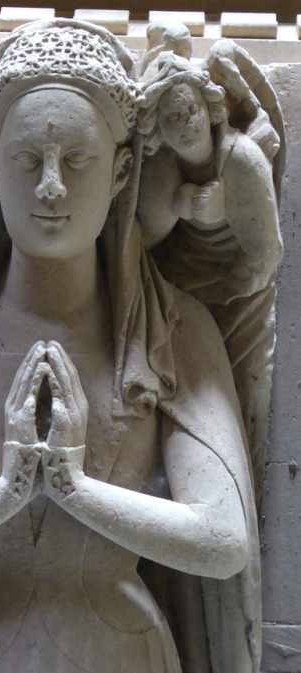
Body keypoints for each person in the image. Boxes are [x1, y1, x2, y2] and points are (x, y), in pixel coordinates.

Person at [0, 20, 260, 673]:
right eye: (28, 160)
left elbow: (225, 538)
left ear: (123, 171)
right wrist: (8, 490)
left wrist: (72, 486)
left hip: (128, 651)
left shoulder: (173, 329)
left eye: (78, 159)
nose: (51, 188)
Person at [136, 52, 283, 495]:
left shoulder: (241, 160)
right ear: (158, 129)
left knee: (243, 394)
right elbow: (140, 242)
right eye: (171, 117)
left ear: (211, 108)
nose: (185, 123)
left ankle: (244, 494)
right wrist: (177, 207)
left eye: (190, 110)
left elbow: (264, 255)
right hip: (180, 291)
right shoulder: (162, 170)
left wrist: (222, 288)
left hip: (239, 297)